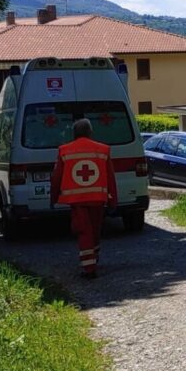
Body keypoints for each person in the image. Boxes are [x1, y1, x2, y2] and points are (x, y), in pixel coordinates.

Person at [51, 117, 118, 278]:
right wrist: (113, 200)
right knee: (94, 232)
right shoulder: (103, 150)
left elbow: (56, 178)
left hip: (77, 201)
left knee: (84, 232)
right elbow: (111, 177)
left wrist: (53, 198)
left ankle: (89, 268)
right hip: (98, 199)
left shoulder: (64, 150)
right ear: (90, 132)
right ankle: (92, 260)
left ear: (74, 133)